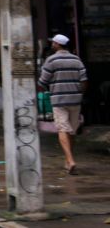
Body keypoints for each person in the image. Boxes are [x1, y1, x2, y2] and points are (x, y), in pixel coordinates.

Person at [38, 34, 88, 175]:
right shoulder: (76, 59)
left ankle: (70, 160)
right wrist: (79, 94)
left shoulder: (51, 60)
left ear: (57, 45)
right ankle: (68, 160)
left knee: (62, 129)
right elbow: (84, 81)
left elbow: (42, 82)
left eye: (53, 43)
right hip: (75, 100)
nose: (52, 45)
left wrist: (46, 92)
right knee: (71, 130)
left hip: (59, 100)